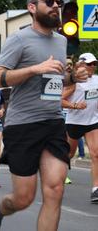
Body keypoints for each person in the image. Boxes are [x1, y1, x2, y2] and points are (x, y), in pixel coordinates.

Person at [0, 0, 88, 230]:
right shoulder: (19, 39)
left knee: (55, 189)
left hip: (52, 122)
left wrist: (73, 78)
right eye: (48, 1)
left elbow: (54, 80)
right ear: (32, 8)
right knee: (23, 198)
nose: (55, 6)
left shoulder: (61, 41)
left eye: (58, 2)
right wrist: (33, 69)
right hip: (23, 124)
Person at [61, 53, 98, 203]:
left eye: (94, 64)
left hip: (92, 122)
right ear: (80, 65)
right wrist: (75, 105)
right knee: (69, 154)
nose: (93, 67)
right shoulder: (73, 83)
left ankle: (96, 189)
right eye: (90, 64)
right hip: (75, 122)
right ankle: (57, 174)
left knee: (96, 154)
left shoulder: (96, 80)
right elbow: (59, 100)